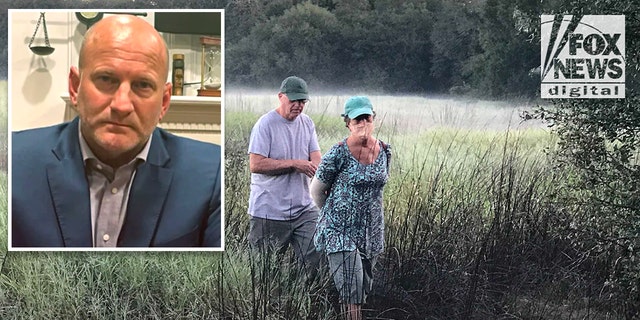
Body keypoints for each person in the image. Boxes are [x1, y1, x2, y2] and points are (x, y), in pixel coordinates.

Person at [11, 15, 222, 248]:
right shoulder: (14, 164)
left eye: (142, 85)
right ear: (75, 87)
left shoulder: (213, 175)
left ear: (163, 102)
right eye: (106, 79)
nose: (122, 105)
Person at [310, 96, 391, 320]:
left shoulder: (384, 150)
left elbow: (381, 183)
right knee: (351, 289)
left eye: (366, 117)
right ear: (348, 123)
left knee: (362, 287)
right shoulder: (337, 153)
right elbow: (316, 190)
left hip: (372, 232)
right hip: (340, 231)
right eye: (357, 120)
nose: (363, 123)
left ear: (374, 118)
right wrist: (334, 216)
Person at [247, 76, 322, 272]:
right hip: (268, 211)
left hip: (304, 209)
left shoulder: (307, 123)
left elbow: (316, 158)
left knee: (315, 258)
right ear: (281, 97)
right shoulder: (265, 124)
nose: (298, 106)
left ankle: (303, 299)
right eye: (294, 100)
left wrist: (314, 168)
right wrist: (294, 165)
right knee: (264, 270)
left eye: (302, 101)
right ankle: (274, 302)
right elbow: (256, 164)